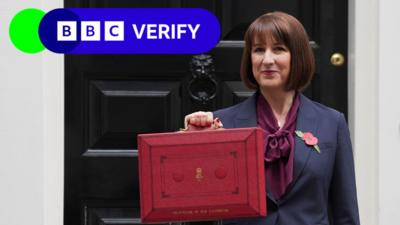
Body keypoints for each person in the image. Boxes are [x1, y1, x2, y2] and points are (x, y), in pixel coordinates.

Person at [184, 12, 360, 225]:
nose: (267, 60)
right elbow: (198, 209)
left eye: (278, 49)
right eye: (258, 50)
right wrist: (192, 142)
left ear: (298, 56)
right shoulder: (221, 125)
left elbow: (346, 214)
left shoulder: (332, 123)